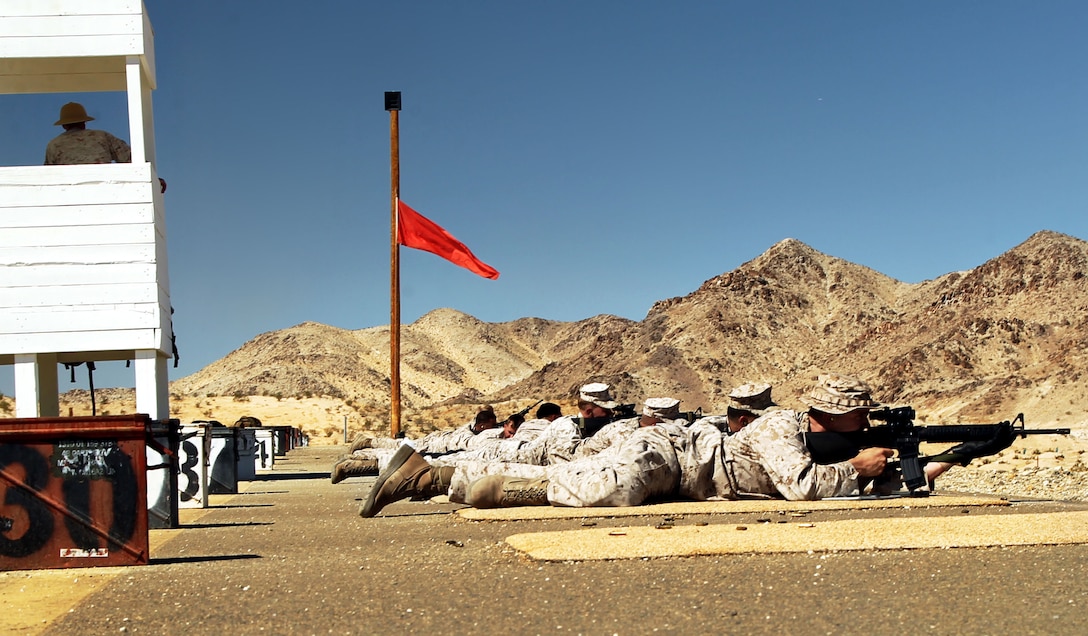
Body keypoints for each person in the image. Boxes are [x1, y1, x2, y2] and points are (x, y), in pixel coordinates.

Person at [357, 374, 964, 516]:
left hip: (683, 470)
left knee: (566, 476)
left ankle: (432, 473)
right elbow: (804, 488)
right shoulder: (782, 426)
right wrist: (861, 469)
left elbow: (846, 481)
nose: (866, 433)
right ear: (842, 417)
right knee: (602, 488)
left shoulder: (832, 444)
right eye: (863, 423)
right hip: (674, 459)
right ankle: (432, 478)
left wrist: (914, 473)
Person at [45, 102, 167, 193]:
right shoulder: (102, 136)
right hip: (105, 190)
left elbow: (47, 177)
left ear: (64, 126)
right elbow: (130, 157)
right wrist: (154, 179)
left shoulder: (53, 145)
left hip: (69, 194)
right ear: (84, 122)